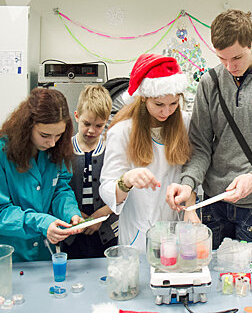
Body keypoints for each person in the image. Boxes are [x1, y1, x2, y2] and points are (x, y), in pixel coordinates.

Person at [166, 10, 252, 248]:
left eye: (236, 58)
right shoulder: (210, 82)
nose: (230, 67)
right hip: (213, 205)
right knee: (208, 276)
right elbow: (199, 147)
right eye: (222, 59)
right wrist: (188, 184)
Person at [99, 54, 195, 252]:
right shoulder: (123, 131)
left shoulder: (185, 123)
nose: (166, 112)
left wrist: (191, 206)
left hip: (175, 228)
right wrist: (126, 180)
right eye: (159, 104)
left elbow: (194, 169)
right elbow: (107, 188)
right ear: (143, 99)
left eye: (173, 104)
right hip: (138, 235)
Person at [0, 88, 83, 262]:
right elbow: (2, 212)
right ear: (26, 126)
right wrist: (42, 223)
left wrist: (71, 213)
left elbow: (60, 189)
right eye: (45, 135)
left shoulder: (55, 150)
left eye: (59, 135)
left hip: (45, 254)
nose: (52, 143)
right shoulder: (3, 153)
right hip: (12, 256)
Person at [61, 85, 119, 258]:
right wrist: (73, 213)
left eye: (99, 125)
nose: (92, 130)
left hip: (106, 233)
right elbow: (59, 190)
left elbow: (122, 192)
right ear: (77, 116)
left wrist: (100, 215)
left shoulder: (111, 150)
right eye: (87, 124)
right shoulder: (64, 150)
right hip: (72, 232)